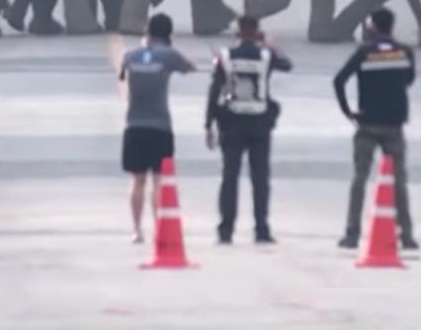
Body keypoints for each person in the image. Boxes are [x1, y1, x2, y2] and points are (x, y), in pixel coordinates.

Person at [333, 7, 419, 251]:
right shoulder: (405, 52)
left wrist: (347, 111)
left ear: (373, 26)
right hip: (394, 125)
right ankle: (407, 235)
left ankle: (352, 234)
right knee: (399, 181)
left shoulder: (364, 52)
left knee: (359, 178)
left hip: (367, 123)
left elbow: (339, 80)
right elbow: (409, 80)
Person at [205, 15, 292, 245]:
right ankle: (261, 230)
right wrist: (270, 44)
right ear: (256, 32)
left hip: (231, 123)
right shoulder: (266, 56)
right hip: (259, 124)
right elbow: (287, 65)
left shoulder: (225, 57)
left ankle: (226, 230)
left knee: (229, 178)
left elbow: (214, 92)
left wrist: (208, 125)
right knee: (260, 179)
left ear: (237, 32)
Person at [119, 13, 195, 243]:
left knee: (137, 180)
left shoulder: (129, 55)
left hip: (134, 126)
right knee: (159, 181)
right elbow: (190, 67)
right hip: (161, 127)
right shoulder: (169, 56)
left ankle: (136, 230)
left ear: (147, 32)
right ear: (168, 34)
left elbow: (122, 75)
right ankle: (159, 228)